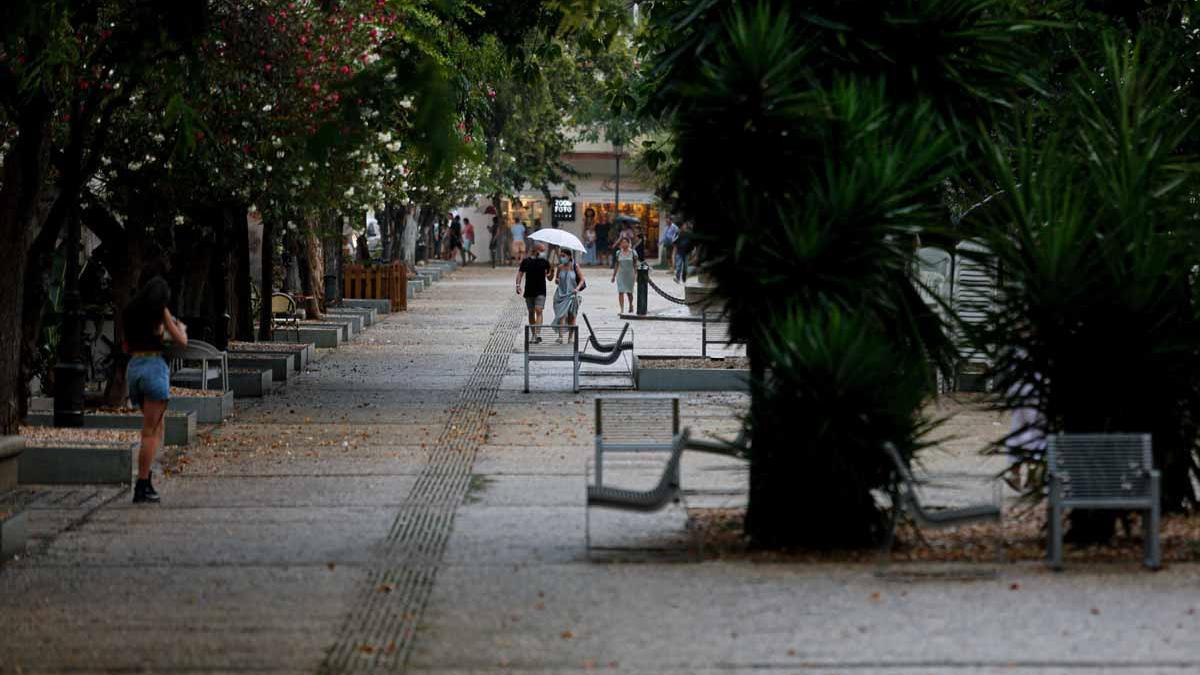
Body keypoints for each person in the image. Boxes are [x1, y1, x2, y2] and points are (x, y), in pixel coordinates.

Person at [123, 276, 188, 504]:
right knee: (150, 432)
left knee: (157, 427)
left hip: (134, 368)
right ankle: (141, 484)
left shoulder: (130, 311)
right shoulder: (160, 312)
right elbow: (181, 340)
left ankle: (148, 479)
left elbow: (126, 344)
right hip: (154, 369)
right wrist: (179, 328)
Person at [515, 243, 552, 342]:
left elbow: (550, 278)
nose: (544, 253)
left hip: (541, 290)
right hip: (529, 290)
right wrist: (518, 285)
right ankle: (533, 333)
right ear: (536, 250)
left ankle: (537, 334)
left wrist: (551, 271)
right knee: (531, 312)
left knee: (539, 310)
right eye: (542, 250)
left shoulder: (545, 262)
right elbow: (520, 273)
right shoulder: (526, 261)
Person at [552, 250, 586, 342]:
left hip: (572, 295)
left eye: (564, 256)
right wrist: (557, 280)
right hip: (561, 294)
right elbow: (556, 279)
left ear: (569, 256)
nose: (562, 258)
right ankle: (560, 336)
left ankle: (571, 337)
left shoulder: (575, 266)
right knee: (561, 315)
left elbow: (582, 279)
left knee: (572, 316)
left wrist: (577, 288)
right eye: (561, 256)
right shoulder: (560, 267)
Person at [610, 236, 638, 314]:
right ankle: (621, 309)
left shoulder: (633, 252)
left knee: (629, 292)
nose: (624, 244)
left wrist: (636, 275)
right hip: (621, 275)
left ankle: (630, 305)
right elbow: (616, 264)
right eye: (622, 242)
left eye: (625, 242)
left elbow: (635, 264)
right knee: (621, 291)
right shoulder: (618, 253)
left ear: (629, 243)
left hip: (630, 274)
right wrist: (613, 276)